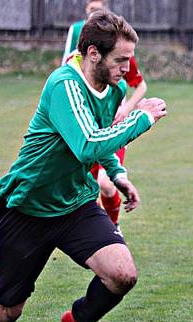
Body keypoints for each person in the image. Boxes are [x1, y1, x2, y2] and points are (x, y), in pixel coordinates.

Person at [0, 10, 167, 322]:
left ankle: (81, 320)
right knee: (7, 310)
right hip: (28, 208)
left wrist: (117, 174)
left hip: (75, 202)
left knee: (122, 274)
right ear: (93, 53)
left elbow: (103, 140)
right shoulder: (63, 84)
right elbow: (87, 143)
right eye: (121, 60)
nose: (129, 68)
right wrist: (142, 120)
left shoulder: (115, 89)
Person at [64, 0, 148, 228]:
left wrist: (127, 109)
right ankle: (100, 230)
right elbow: (65, 70)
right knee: (88, 188)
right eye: (91, 10)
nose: (94, 15)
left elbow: (140, 85)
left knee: (107, 184)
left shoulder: (119, 52)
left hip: (111, 130)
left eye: (99, 11)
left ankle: (112, 229)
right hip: (89, 131)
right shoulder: (72, 66)